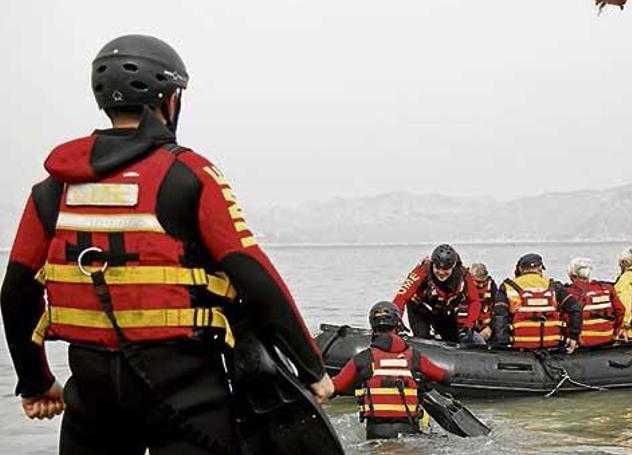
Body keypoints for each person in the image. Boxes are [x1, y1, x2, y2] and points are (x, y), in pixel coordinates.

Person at [0, 34, 333, 455]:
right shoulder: (189, 174)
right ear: (170, 99)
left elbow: (15, 293)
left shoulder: (53, 188)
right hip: (187, 392)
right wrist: (311, 367)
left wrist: (36, 381)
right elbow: (252, 273)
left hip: (92, 390)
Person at [331, 301, 449, 440]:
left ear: (372, 325)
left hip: (377, 434)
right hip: (409, 433)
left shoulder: (363, 359)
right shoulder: (414, 356)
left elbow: (334, 387)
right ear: (398, 324)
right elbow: (444, 377)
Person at [491, 253, 582, 354]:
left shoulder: (507, 287)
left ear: (520, 269)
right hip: (552, 347)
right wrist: (573, 336)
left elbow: (500, 317)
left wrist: (503, 345)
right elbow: (576, 308)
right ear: (540, 269)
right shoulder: (554, 286)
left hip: (520, 348)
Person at [393, 244, 480, 343]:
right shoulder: (422, 271)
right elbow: (401, 296)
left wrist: (469, 324)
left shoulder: (464, 275)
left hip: (444, 311)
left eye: (446, 269)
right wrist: (396, 319)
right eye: (437, 268)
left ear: (453, 266)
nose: (441, 272)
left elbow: (475, 301)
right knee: (423, 338)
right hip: (419, 309)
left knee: (452, 340)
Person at [564, 257, 624, 348]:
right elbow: (620, 311)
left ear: (572, 275)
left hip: (585, 341)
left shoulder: (569, 293)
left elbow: (567, 318)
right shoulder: (606, 288)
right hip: (607, 337)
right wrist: (615, 332)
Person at [457, 263, 496, 342]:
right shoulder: (461, 286)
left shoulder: (491, 287)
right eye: (478, 282)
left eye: (483, 282)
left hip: (487, 328)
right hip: (466, 328)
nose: (481, 285)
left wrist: (490, 327)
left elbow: (497, 309)